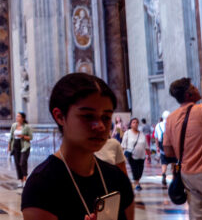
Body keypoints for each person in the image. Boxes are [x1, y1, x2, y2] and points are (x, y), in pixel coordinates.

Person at [21, 73, 134, 220]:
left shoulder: (118, 179)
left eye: (106, 117)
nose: (99, 126)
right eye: (87, 116)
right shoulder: (41, 186)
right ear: (60, 116)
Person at [163, 77, 202, 219]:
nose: (197, 89)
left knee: (197, 215)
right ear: (188, 94)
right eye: (194, 87)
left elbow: (168, 151)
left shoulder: (171, 119)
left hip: (187, 175)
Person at [121, 117, 147, 191]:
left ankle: (137, 181)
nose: (135, 124)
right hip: (131, 155)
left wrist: (148, 154)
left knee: (140, 171)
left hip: (142, 155)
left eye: (137, 122)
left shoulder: (141, 133)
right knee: (134, 169)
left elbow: (146, 144)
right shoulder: (127, 133)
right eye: (134, 122)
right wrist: (122, 155)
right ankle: (137, 184)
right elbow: (123, 144)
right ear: (131, 124)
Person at [8, 112, 33, 187]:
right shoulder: (14, 125)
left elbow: (30, 137)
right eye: (17, 116)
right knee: (17, 163)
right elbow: (11, 136)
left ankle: (25, 178)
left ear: (23, 118)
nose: (17, 117)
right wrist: (9, 146)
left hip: (24, 146)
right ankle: (20, 180)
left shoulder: (27, 127)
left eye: (19, 116)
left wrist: (22, 136)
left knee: (22, 162)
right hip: (15, 145)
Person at [154, 110, 175, 186]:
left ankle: (163, 174)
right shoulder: (172, 124)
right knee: (174, 162)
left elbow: (156, 138)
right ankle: (174, 177)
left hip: (162, 145)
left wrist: (157, 147)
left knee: (164, 162)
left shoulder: (158, 125)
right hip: (172, 146)